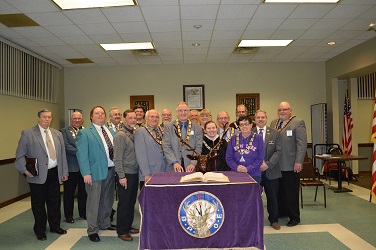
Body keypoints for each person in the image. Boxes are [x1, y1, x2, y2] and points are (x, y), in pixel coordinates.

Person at [15, 108, 68, 241]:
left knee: (55, 203)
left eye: (49, 117)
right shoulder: (28, 133)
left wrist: (64, 172)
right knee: (38, 205)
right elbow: (20, 155)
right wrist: (25, 170)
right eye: (44, 117)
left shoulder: (57, 134)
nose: (47, 119)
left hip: (54, 173)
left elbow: (62, 156)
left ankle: (55, 226)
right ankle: (40, 230)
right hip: (37, 175)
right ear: (38, 118)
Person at [76, 106, 116, 243]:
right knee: (93, 202)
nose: (100, 115)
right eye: (97, 113)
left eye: (102, 113)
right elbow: (81, 155)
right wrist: (86, 172)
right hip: (94, 172)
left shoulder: (110, 131)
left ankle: (105, 223)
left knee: (107, 199)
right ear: (91, 116)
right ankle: (92, 230)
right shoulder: (85, 133)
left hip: (111, 170)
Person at [270, 101, 307, 227]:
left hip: (291, 164)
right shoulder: (273, 123)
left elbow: (302, 144)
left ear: (290, 110)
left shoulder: (298, 123)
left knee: (291, 191)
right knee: (279, 191)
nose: (282, 111)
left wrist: (298, 161)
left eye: (285, 109)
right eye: (280, 109)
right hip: (276, 164)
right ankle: (283, 212)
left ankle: (294, 217)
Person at [252, 110, 282, 230]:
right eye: (258, 117)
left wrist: (268, 164)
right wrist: (256, 164)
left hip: (271, 170)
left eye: (262, 117)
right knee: (253, 197)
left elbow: (278, 151)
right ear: (254, 119)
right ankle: (253, 220)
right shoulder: (250, 133)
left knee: (272, 197)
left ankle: (274, 220)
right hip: (254, 171)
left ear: (266, 118)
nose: (260, 119)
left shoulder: (275, 133)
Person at [113, 109, 140, 242]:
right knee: (124, 202)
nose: (133, 120)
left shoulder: (134, 133)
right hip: (125, 174)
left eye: (134, 118)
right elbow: (117, 158)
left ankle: (128, 226)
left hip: (134, 173)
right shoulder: (120, 135)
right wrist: (121, 176)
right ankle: (122, 230)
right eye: (130, 118)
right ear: (124, 120)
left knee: (131, 202)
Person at [60, 111, 87, 224]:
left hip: (84, 167)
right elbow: (66, 146)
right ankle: (69, 215)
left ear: (82, 120)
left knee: (83, 192)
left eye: (79, 118)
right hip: (71, 167)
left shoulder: (86, 131)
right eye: (74, 118)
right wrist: (82, 152)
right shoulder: (64, 131)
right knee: (69, 193)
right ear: (71, 120)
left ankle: (83, 212)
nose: (77, 120)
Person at [162, 102, 203, 172]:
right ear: (177, 113)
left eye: (185, 110)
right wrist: (174, 162)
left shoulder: (197, 128)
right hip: (173, 167)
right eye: (180, 110)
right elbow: (166, 147)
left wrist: (193, 163)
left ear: (189, 112)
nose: (183, 113)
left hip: (191, 167)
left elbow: (198, 147)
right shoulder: (168, 127)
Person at [226, 116, 264, 183]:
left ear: (251, 125)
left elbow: (260, 158)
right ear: (239, 127)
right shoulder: (233, 139)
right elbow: (228, 158)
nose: (244, 126)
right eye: (241, 124)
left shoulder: (258, 138)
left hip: (254, 174)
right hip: (236, 174)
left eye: (246, 124)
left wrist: (247, 169)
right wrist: (236, 167)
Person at [135, 109, 166, 189]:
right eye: (152, 117)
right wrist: (146, 173)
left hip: (163, 170)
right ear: (146, 118)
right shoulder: (140, 132)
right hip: (149, 172)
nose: (154, 119)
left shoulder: (161, 131)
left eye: (156, 117)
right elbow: (140, 155)